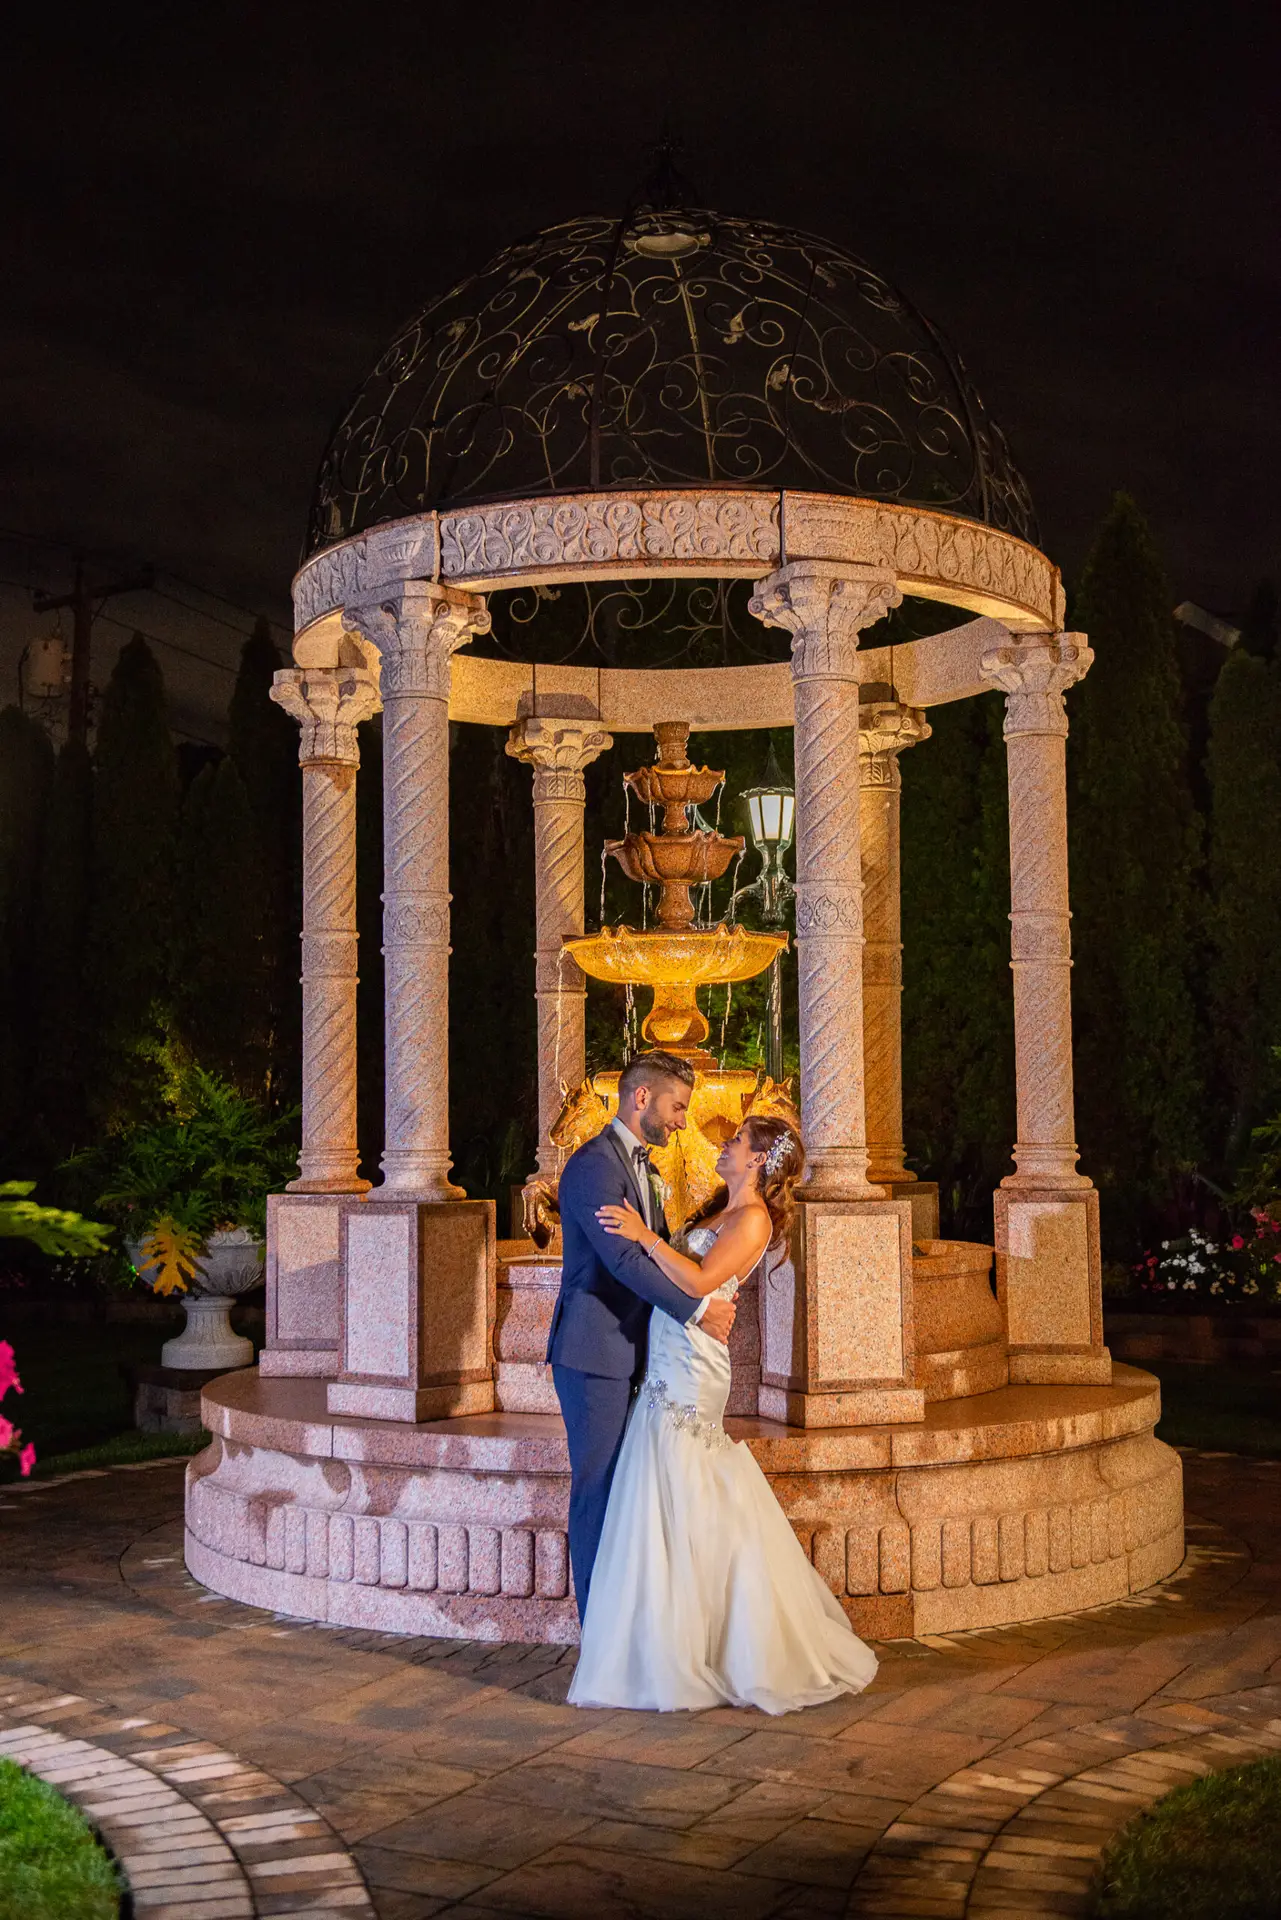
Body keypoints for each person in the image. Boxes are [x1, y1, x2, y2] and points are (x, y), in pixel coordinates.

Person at [567, 1109, 879, 1714]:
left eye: (736, 1140)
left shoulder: (754, 1219)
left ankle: (711, 1644)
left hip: (691, 1368)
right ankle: (668, 1636)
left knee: (686, 1483)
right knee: (663, 1489)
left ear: (759, 1159)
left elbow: (703, 1277)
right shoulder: (719, 1208)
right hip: (668, 1355)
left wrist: (644, 1236)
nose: (725, 1143)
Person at [548, 1050, 738, 1625]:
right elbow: (626, 1260)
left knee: (629, 1491)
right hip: (595, 1354)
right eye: (677, 1107)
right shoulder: (593, 1167)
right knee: (598, 1490)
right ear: (641, 1098)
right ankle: (596, 1633)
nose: (683, 1120)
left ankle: (629, 1625)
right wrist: (697, 1310)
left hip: (636, 1354)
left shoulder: (643, 1166)